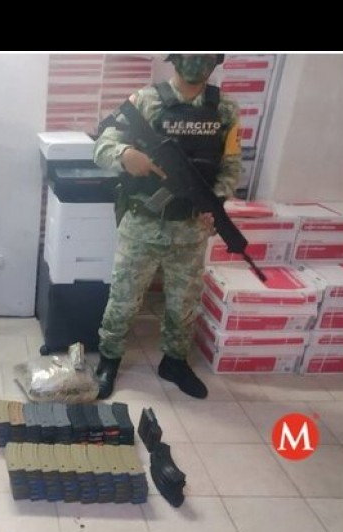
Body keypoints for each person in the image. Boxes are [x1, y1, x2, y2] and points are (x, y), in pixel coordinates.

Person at [93, 54, 242, 399]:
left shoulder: (225, 110)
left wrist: (216, 202)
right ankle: (109, 359)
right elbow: (102, 145)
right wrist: (125, 155)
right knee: (123, 299)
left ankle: (174, 362)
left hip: (191, 229)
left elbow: (231, 167)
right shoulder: (145, 101)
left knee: (183, 304)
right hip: (142, 224)